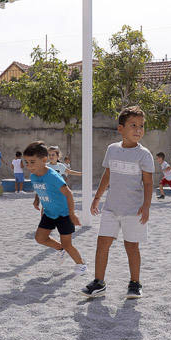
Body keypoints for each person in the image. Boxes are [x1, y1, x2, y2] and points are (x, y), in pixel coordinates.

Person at [82, 105, 154, 299]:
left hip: (134, 211)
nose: (138, 130)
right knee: (102, 244)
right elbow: (107, 174)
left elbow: (148, 183)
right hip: (111, 208)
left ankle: (135, 283)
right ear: (120, 128)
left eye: (141, 126)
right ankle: (99, 282)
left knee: (131, 247)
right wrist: (97, 198)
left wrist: (146, 206)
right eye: (133, 125)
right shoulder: (112, 150)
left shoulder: (144, 154)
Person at [25, 141, 87, 276]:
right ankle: (60, 249)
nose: (29, 166)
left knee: (68, 244)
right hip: (48, 213)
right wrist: (37, 201)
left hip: (64, 214)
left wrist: (72, 214)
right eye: (27, 162)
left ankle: (81, 265)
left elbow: (69, 193)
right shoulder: (33, 176)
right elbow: (40, 189)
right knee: (40, 238)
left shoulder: (52, 176)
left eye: (32, 162)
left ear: (44, 160)